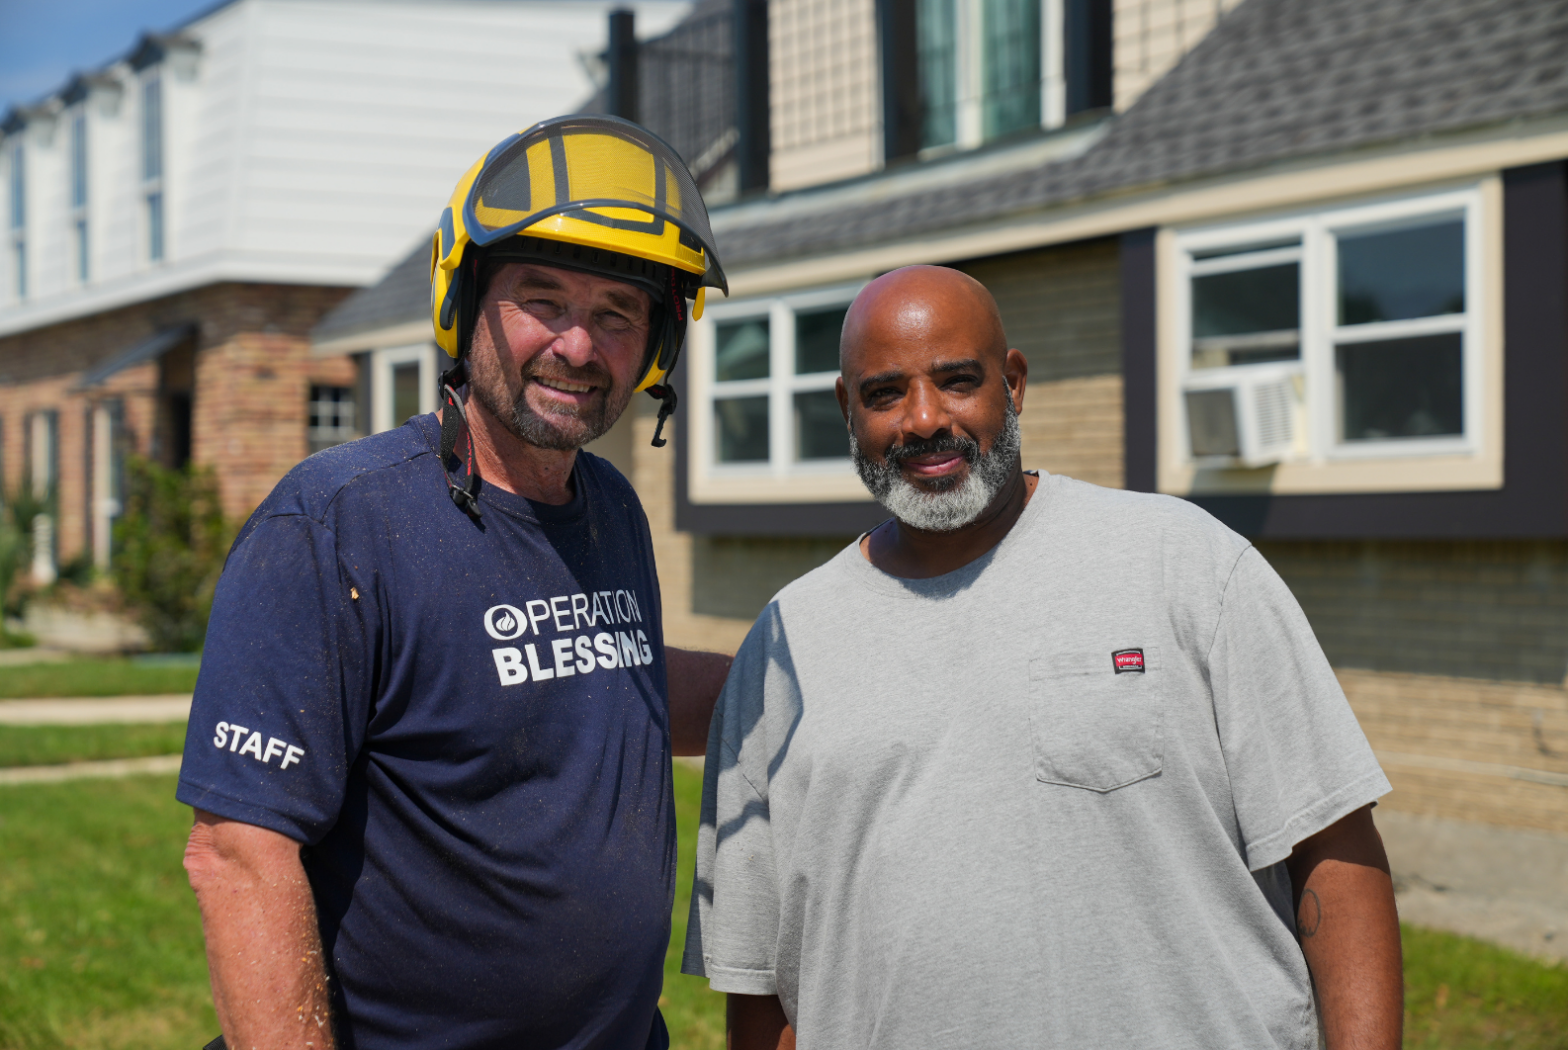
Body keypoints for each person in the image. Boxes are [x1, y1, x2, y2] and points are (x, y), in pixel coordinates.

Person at [683, 265, 1403, 1050]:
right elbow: (763, 989)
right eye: (885, 393)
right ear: (845, 410)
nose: (924, 419)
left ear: (1014, 383)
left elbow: (1332, 849)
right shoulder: (783, 646)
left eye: (958, 381)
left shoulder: (1186, 564)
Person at [178, 116, 733, 1050]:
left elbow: (600, 684)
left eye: (617, 313)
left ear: (659, 346)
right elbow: (239, 854)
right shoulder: (336, 525)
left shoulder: (610, 506)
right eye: (541, 298)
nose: (578, 346)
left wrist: (815, 680)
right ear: (465, 300)